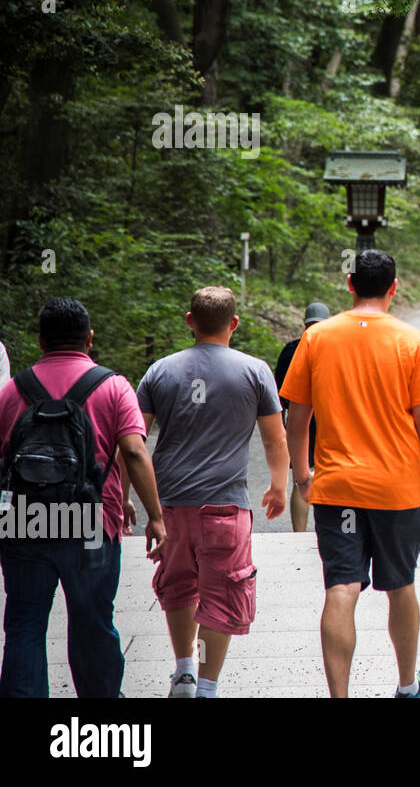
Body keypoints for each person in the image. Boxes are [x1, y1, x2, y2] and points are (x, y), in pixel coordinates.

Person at [281, 249, 420, 698]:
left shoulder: (317, 338)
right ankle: (407, 686)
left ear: (349, 285)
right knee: (400, 585)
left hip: (337, 488)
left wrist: (303, 474)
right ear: (394, 287)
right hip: (397, 491)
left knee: (341, 587)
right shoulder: (412, 342)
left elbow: (297, 416)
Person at [0, 297, 166, 698]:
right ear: (89, 339)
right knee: (92, 619)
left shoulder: (11, 391)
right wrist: (155, 517)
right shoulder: (113, 387)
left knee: (24, 621)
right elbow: (133, 451)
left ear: (40, 340)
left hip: (24, 520)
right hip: (89, 520)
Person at [135, 286, 288, 698]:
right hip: (225, 507)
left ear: (190, 320)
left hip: (170, 506)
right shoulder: (255, 371)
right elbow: (275, 440)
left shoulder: (159, 372)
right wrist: (279, 485)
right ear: (233, 324)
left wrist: (131, 499)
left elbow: (134, 442)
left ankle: (183, 672)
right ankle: (206, 687)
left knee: (179, 585)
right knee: (223, 594)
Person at [274, 301, 330, 532]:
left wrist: (281, 422)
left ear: (304, 322)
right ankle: (326, 531)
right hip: (328, 421)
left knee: (302, 479)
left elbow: (276, 392)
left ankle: (299, 534)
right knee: (327, 477)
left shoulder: (290, 350)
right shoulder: (334, 350)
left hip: (297, 422)